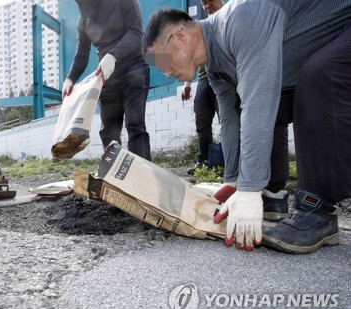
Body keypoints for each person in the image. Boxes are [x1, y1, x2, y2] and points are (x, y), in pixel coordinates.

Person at [142, 0, 351, 253]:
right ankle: (272, 195)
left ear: (179, 37)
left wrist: (249, 189)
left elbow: (259, 98)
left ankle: (317, 209)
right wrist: (235, 181)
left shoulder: (241, 17)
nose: (164, 73)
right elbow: (231, 121)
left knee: (318, 75)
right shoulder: (215, 68)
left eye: (161, 61)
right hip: (323, 46)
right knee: (267, 109)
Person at [62, 0, 151, 160]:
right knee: (109, 131)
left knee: (135, 125)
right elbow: (82, 54)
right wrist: (70, 78)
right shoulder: (83, 20)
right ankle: (114, 178)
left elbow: (136, 33)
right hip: (107, 76)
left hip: (134, 68)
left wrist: (113, 56)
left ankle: (142, 178)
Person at [181, 0, 223, 174]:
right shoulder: (201, 28)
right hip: (204, 79)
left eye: (209, 1)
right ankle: (204, 160)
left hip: (224, 79)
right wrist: (187, 84)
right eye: (203, 3)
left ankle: (230, 160)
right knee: (202, 119)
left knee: (228, 120)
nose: (207, 6)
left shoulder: (228, 21)